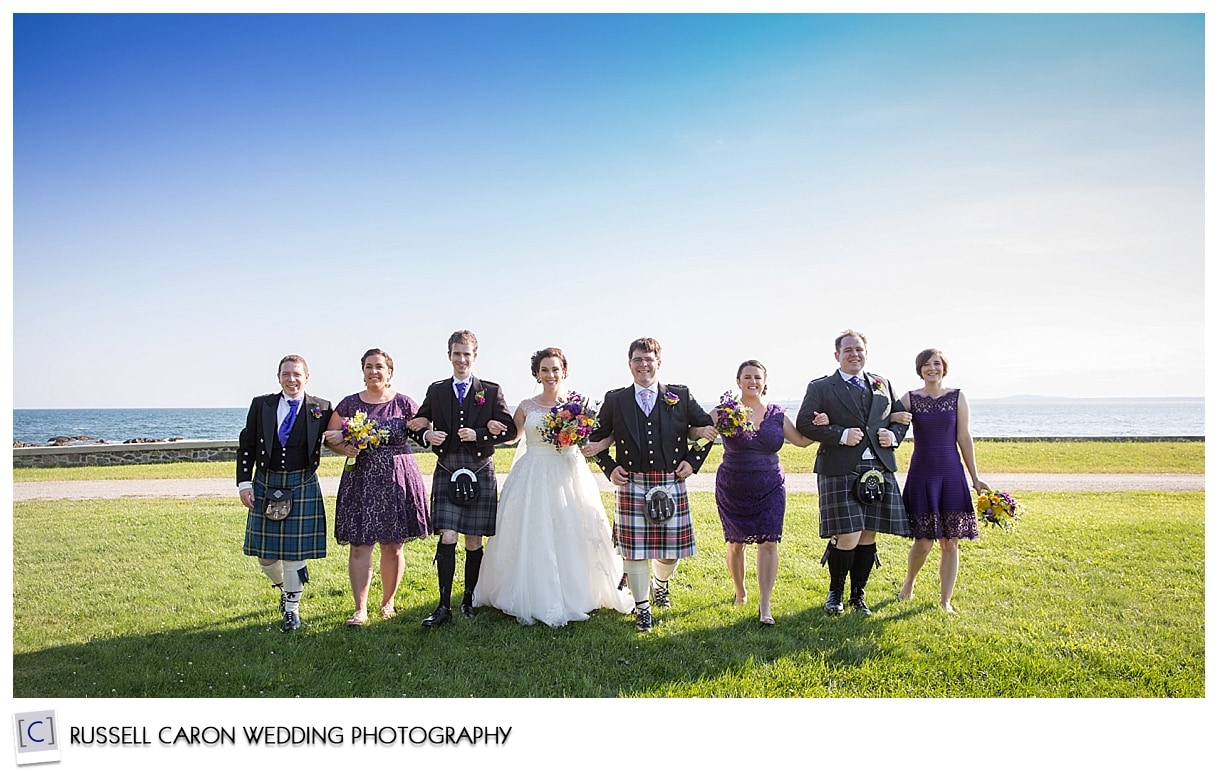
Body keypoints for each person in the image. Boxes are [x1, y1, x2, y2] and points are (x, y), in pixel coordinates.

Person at [474, 347, 633, 626]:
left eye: (555, 369)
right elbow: (514, 437)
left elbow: (592, 440)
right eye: (545, 369)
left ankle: (576, 590)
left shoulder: (577, 409)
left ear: (564, 371)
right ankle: (527, 589)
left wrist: (591, 443)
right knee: (531, 530)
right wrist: (495, 430)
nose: (550, 374)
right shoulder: (526, 406)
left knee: (569, 527)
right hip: (532, 473)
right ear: (537, 374)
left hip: (568, 473)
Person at [587, 337, 717, 633]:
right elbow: (596, 440)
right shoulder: (615, 399)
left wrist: (693, 462)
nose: (643, 365)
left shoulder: (679, 395)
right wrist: (609, 468)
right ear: (629, 364)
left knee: (670, 552)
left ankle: (661, 583)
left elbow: (708, 431)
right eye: (637, 359)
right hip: (632, 481)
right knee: (634, 551)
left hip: (670, 481)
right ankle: (642, 608)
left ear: (659, 362)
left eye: (649, 359)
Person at [406, 330, 517, 627]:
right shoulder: (438, 389)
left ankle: (468, 599)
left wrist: (480, 433)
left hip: (480, 467)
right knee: (448, 535)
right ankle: (443, 605)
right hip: (447, 467)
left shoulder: (490, 391)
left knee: (472, 540)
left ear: (475, 356)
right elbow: (415, 425)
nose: (462, 359)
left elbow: (508, 430)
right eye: (457, 354)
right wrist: (427, 434)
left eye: (467, 354)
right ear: (449, 356)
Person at [796, 330, 911, 617]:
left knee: (868, 535)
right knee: (847, 535)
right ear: (837, 355)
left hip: (878, 467)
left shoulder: (882, 384)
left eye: (859, 349)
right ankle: (835, 593)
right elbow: (804, 424)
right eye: (848, 350)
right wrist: (840, 433)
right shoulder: (822, 387)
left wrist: (893, 436)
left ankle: (858, 596)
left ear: (866, 352)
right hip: (838, 467)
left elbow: (900, 417)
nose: (854, 354)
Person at [323, 348, 431, 626]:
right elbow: (330, 437)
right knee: (359, 545)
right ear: (363, 371)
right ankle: (360, 609)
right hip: (362, 479)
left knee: (393, 545)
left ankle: (388, 603)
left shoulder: (405, 404)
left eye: (380, 367)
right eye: (369, 366)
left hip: (399, 478)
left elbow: (423, 429)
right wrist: (347, 447)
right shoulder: (348, 404)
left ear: (390, 372)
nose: (374, 371)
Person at [713, 360, 815, 626]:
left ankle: (765, 604)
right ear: (738, 381)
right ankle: (740, 592)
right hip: (733, 485)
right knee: (736, 544)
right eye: (747, 377)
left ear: (764, 381)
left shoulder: (777, 414)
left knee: (769, 543)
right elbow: (695, 430)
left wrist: (823, 425)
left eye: (757, 377)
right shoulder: (725, 411)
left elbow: (803, 441)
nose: (752, 382)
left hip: (771, 486)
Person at [236, 354, 333, 632]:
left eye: (297, 374)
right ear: (278, 377)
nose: (292, 379)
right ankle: (283, 587)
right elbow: (247, 445)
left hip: (302, 482)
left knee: (293, 554)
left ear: (307, 377)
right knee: (266, 556)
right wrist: (244, 483)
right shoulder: (262, 405)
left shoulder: (321, 407)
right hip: (266, 482)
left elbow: (338, 435)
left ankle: (292, 608)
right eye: (286, 374)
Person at [893, 348, 988, 613]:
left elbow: (964, 437)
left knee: (950, 542)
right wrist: (894, 416)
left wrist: (975, 478)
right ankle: (909, 582)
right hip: (922, 473)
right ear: (919, 369)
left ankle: (945, 600)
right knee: (923, 541)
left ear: (944, 368)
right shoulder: (911, 398)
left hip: (951, 473)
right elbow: (886, 417)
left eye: (936, 364)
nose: (931, 368)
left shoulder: (957, 397)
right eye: (926, 364)